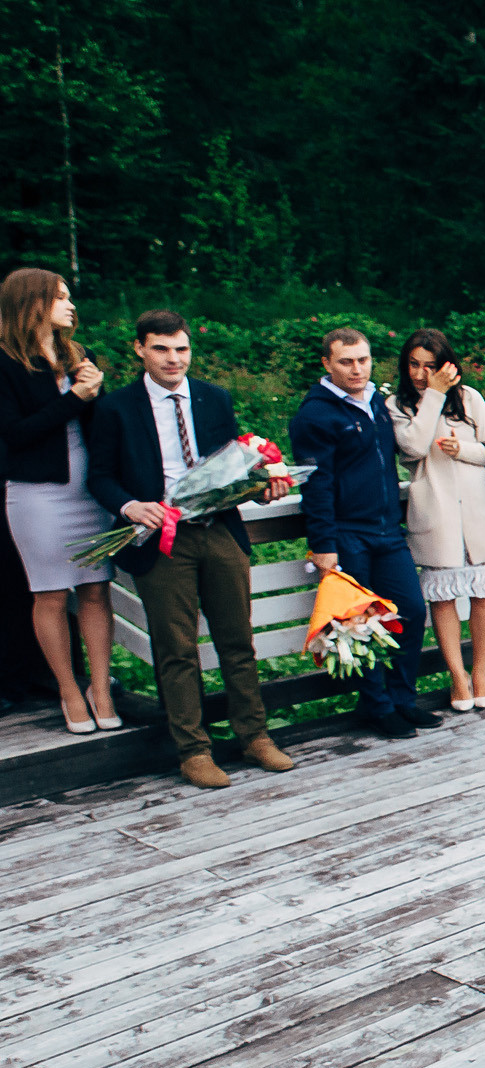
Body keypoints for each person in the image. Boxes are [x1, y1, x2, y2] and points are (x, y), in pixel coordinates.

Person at [85, 310, 295, 786]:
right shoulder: (116, 408)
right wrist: (130, 505)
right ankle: (193, 750)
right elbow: (99, 476)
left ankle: (255, 736)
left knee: (237, 640)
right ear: (140, 349)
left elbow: (232, 467)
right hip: (161, 539)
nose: (173, 359)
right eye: (161, 349)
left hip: (219, 531)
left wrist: (263, 487)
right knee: (176, 648)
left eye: (181, 349)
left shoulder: (214, 398)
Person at [291, 326, 437, 740]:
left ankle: (403, 699)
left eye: (363, 360)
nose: (357, 369)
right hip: (346, 533)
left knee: (411, 610)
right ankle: (377, 706)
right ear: (327, 363)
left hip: (388, 529)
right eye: (346, 362)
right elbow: (315, 483)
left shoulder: (377, 401)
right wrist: (323, 544)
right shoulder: (314, 415)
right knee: (360, 622)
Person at [0, 268, 118, 735]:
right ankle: (69, 691)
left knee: (96, 589)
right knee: (49, 594)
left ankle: (101, 689)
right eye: (61, 298)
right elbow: (15, 434)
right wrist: (76, 398)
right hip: (38, 494)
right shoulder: (5, 361)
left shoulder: (76, 354)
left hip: (88, 491)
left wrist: (95, 392)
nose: (71, 305)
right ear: (33, 303)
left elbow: (100, 424)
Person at [392, 329, 485, 712]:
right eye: (414, 364)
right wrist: (434, 395)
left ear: (446, 365)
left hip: (477, 513)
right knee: (443, 599)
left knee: (483, 594)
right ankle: (457, 676)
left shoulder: (470, 398)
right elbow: (412, 446)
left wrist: (465, 450)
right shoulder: (398, 405)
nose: (420, 373)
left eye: (430, 366)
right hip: (435, 514)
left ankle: (480, 672)